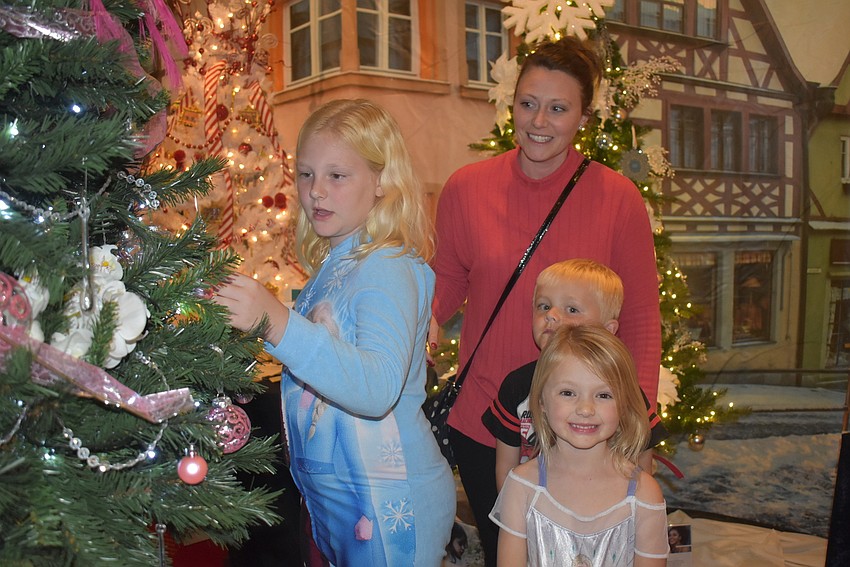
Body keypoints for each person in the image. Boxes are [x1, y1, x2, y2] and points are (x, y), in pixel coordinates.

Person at [431, 35, 662, 565]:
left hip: (586, 424)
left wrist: (637, 420)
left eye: (558, 108)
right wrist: (412, 322)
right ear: (512, 102)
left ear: (583, 116)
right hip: (488, 419)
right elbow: (445, 282)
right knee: (507, 554)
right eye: (528, 103)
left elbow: (644, 318)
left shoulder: (617, 199)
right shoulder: (468, 188)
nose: (539, 120)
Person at [214, 99, 456, 566]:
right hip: (349, 505)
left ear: (382, 180)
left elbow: (377, 387)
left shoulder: (386, 264)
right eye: (306, 175)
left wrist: (277, 322)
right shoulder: (338, 264)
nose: (316, 192)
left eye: (337, 176)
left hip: (390, 507)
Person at [489, 325, 669, 566]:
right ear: (541, 401)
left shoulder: (643, 495)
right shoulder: (522, 488)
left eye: (604, 395)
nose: (585, 409)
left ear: (624, 405)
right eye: (568, 392)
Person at [482, 259, 667, 491]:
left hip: (606, 508)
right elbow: (506, 466)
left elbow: (642, 454)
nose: (551, 316)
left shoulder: (621, 385)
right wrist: (513, 514)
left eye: (571, 309)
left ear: (608, 330)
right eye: (544, 306)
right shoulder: (517, 386)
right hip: (537, 509)